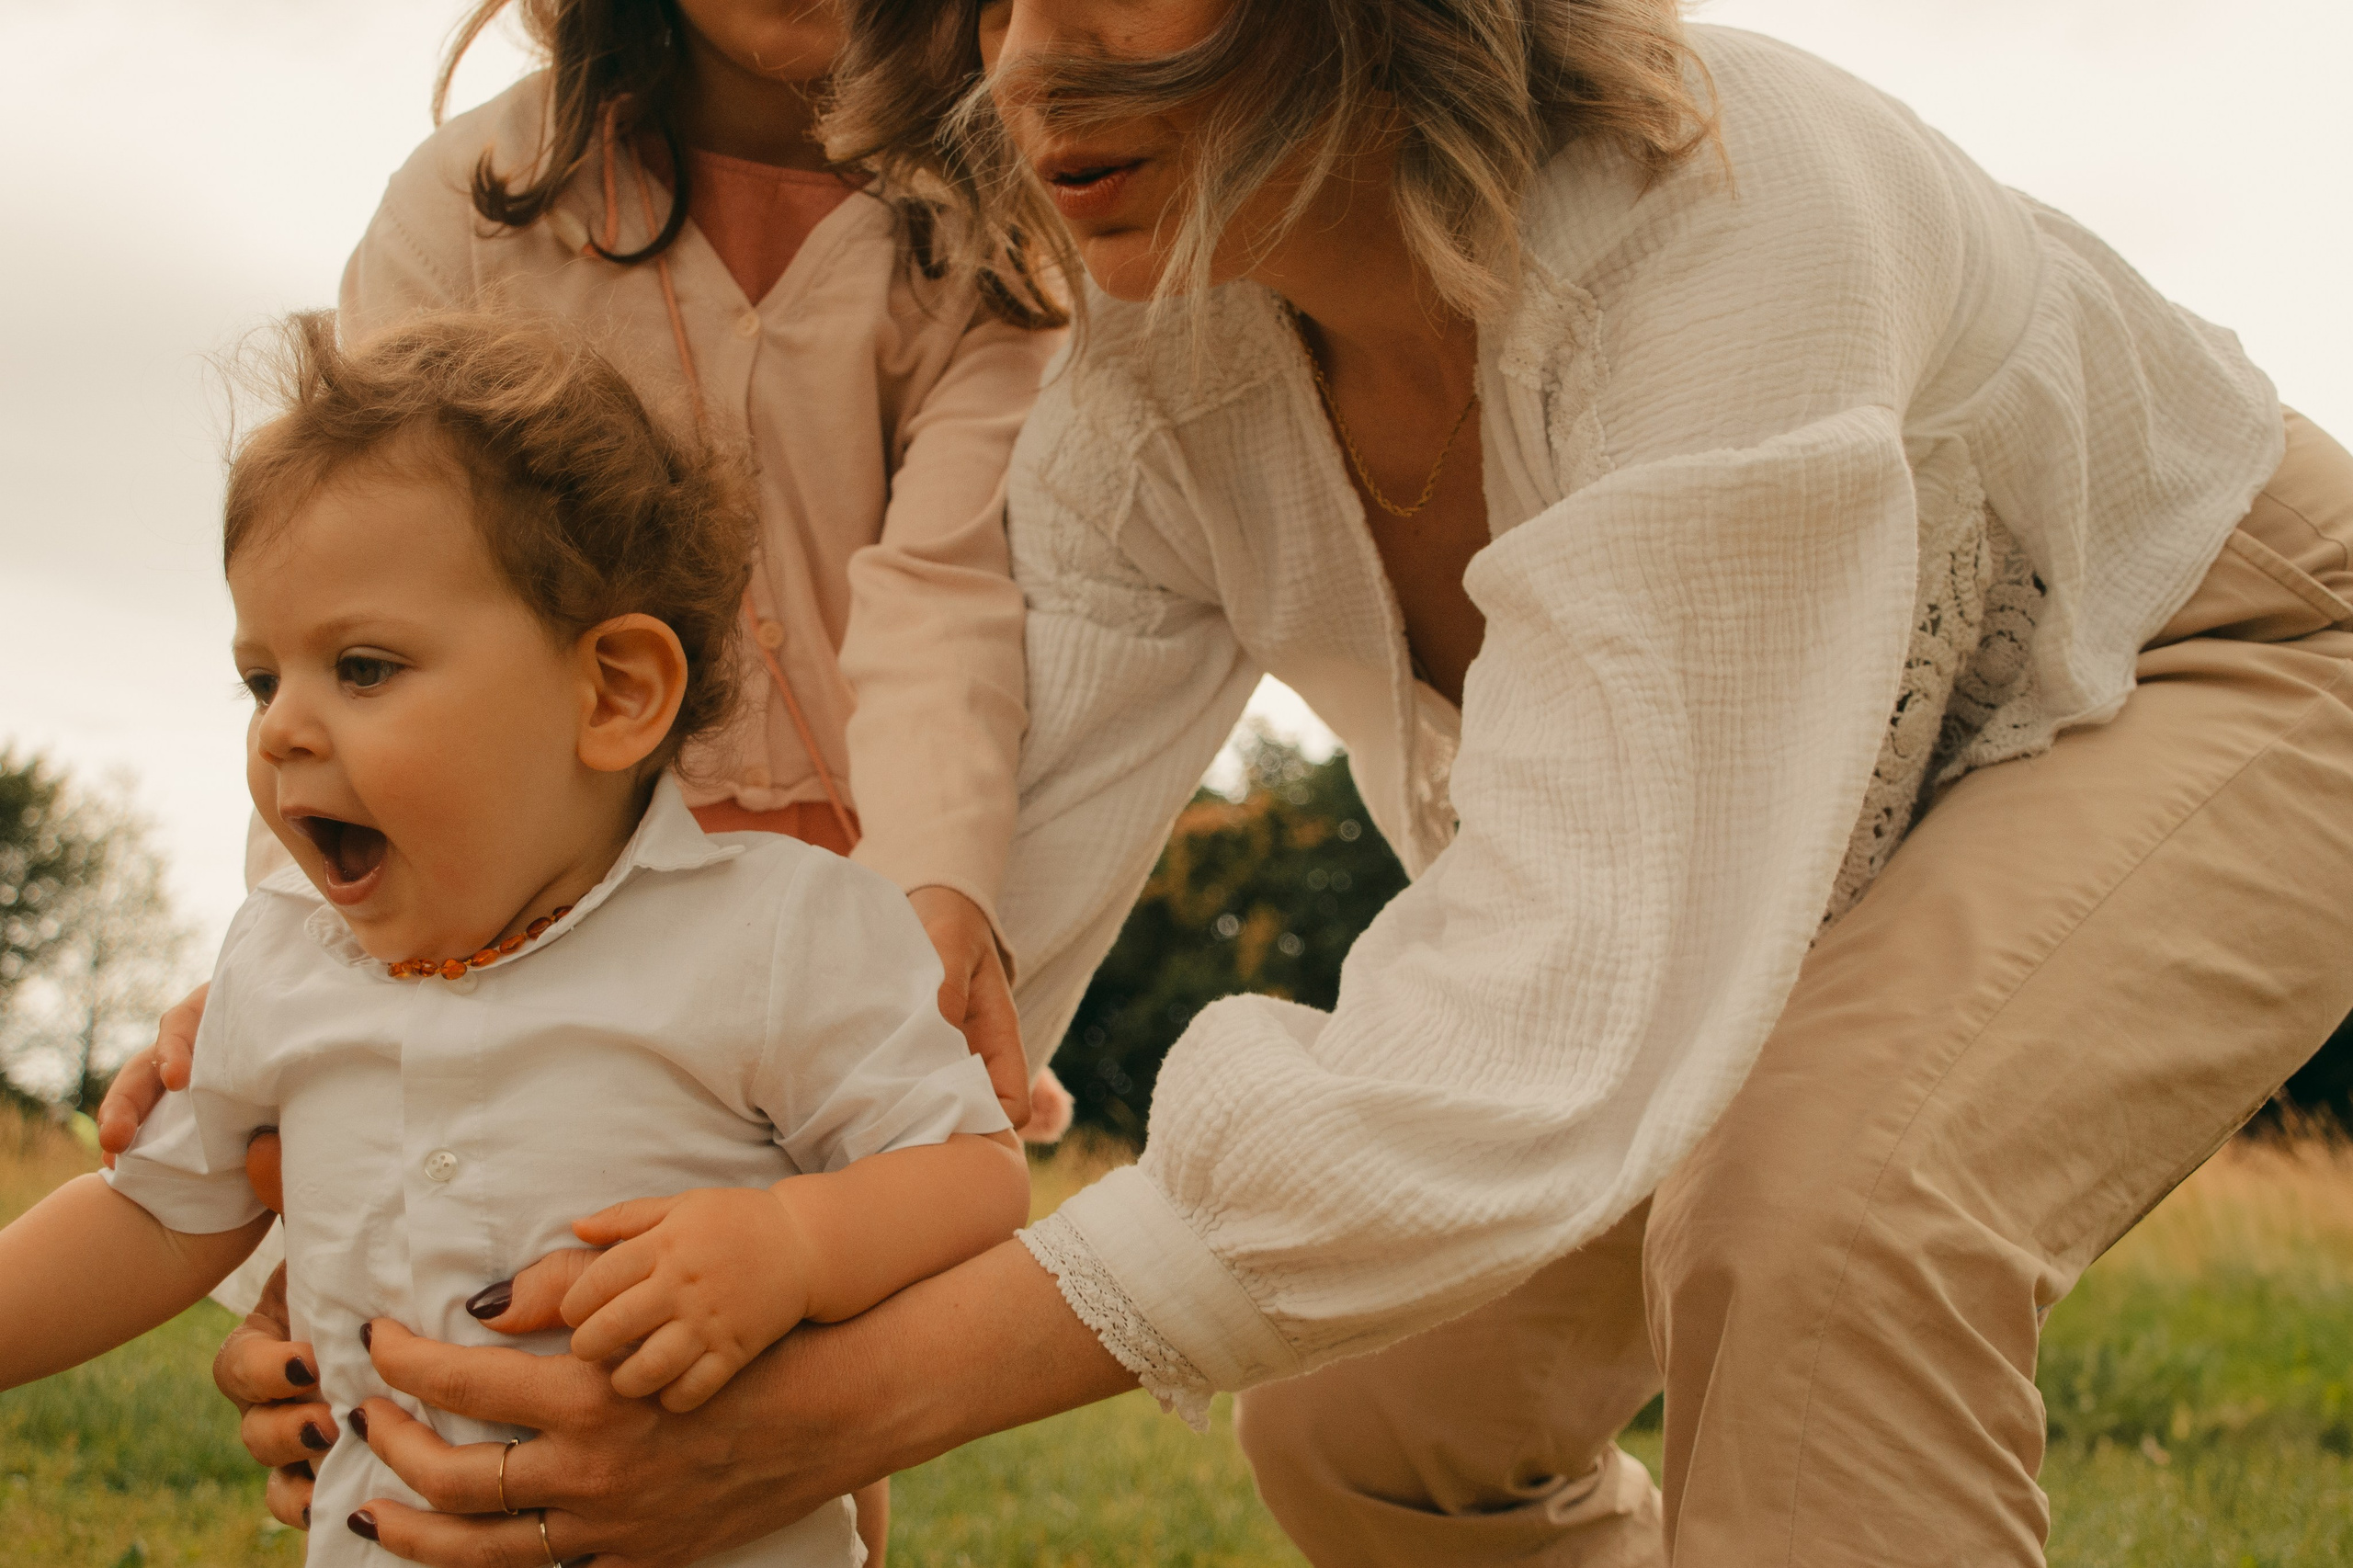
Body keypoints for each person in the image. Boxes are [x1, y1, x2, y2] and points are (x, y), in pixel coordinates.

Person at [106, 3, 2353, 1565]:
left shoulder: (1725, 220)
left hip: (2216, 666)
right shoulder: (1156, 382)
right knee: (1370, 1432)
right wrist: (451, 1269)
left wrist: (815, 1416)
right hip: (1757, 848)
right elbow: (935, 971)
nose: (1031, 62)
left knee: (1817, 1211)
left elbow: (1536, 1041)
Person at [7, 311, 1030, 1568]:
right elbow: (155, 1216)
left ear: (611, 694)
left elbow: (978, 1173)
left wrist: (792, 1244)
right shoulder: (283, 963)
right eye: (263, 679)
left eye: (364, 666)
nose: (281, 732)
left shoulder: (773, 931)